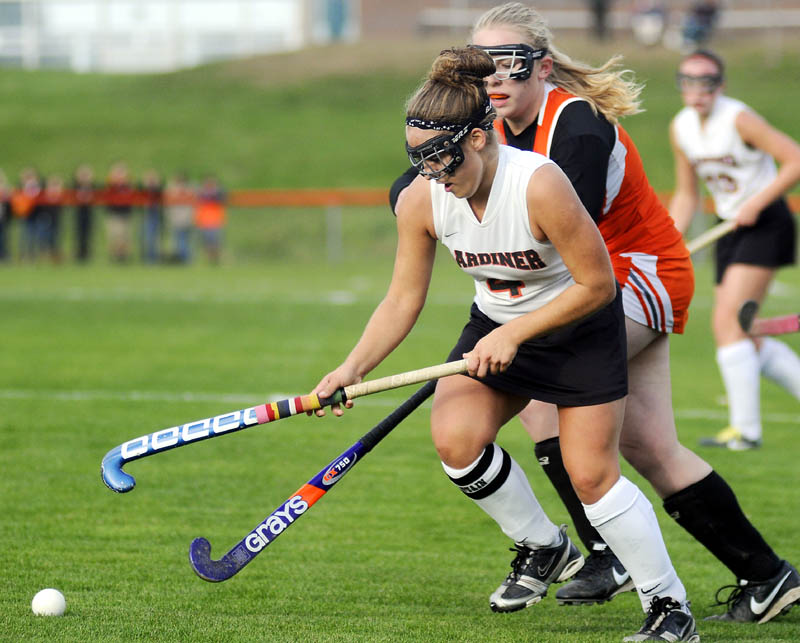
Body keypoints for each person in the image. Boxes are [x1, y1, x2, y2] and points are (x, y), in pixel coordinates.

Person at [390, 2, 800, 625]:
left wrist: (500, 333)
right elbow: (426, 186)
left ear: (542, 68)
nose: (493, 81)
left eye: (508, 65)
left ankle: (602, 552)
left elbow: (556, 259)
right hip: (584, 277)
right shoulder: (484, 128)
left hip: (637, 271)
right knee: (650, 447)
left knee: (542, 382)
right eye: (482, 68)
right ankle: (769, 576)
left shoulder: (572, 129)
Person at [318, 46, 699, 642]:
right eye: (420, 162)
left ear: (478, 138)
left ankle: (669, 608)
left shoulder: (540, 186)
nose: (434, 176)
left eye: (442, 159)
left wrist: (518, 333)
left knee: (592, 476)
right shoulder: (424, 197)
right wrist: (350, 368)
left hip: (576, 329)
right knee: (456, 440)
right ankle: (543, 546)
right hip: (495, 323)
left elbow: (598, 284)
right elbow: (401, 300)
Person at [669, 49, 800, 451]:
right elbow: (688, 194)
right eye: (689, 81)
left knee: (729, 323)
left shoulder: (738, 118)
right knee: (742, 333)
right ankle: (745, 429)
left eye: (707, 81)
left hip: (765, 221)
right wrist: (671, 244)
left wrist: (757, 202)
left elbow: (794, 159)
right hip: (730, 227)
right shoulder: (681, 128)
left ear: (720, 85)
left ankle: (747, 433)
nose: (698, 90)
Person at [104, 161, 136, 263]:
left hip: (126, 214)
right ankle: (114, 257)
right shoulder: (110, 186)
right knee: (115, 236)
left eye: (122, 172)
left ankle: (124, 257)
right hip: (114, 214)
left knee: (125, 236)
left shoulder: (129, 186)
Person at [194, 174, 226, 264]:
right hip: (204, 221)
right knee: (206, 243)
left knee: (216, 243)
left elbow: (223, 197)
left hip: (216, 221)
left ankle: (216, 260)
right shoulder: (201, 193)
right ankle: (209, 260)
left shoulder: (219, 192)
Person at [73, 164, 96, 263]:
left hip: (88, 214)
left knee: (89, 234)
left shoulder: (92, 186)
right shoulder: (75, 186)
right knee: (78, 234)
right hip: (79, 214)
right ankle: (79, 254)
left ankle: (87, 254)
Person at [141, 168, 164, 263]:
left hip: (156, 215)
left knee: (155, 238)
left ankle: (154, 257)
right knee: (147, 237)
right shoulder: (142, 189)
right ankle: (147, 257)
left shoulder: (158, 189)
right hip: (146, 215)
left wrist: (156, 184)